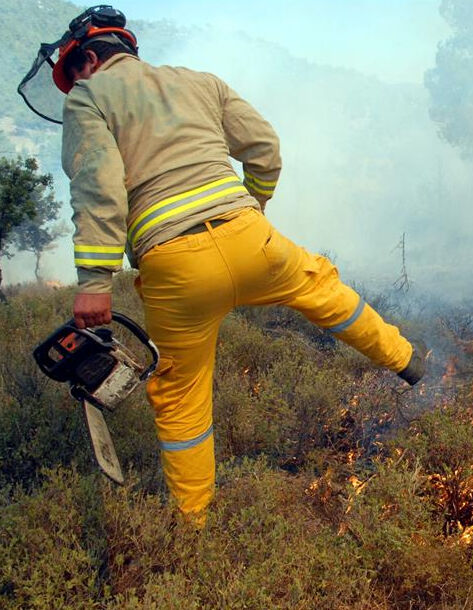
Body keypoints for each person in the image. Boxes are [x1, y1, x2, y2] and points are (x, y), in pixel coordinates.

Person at [46, 6, 425, 519]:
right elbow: (264, 148)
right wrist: (253, 206)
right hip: (251, 238)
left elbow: (99, 188)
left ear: (89, 60)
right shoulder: (200, 82)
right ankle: (405, 359)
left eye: (73, 73)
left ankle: (194, 525)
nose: (74, 84)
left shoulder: (88, 97)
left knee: (181, 397)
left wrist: (95, 281)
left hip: (175, 266)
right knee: (322, 287)